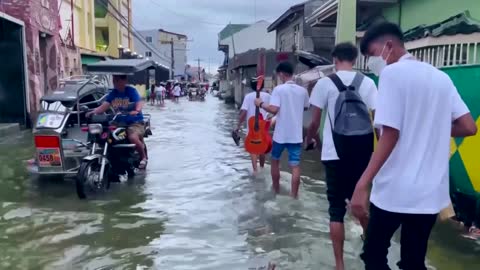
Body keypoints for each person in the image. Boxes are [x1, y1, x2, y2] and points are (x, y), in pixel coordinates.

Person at [350, 22, 477, 270]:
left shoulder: (391, 74)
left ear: (389, 46)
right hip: (428, 194)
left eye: (372, 55)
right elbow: (469, 127)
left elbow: (390, 135)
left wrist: (362, 183)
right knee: (413, 261)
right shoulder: (441, 77)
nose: (373, 63)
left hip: (393, 192)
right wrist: (433, 127)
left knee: (373, 256)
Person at [305, 42, 378, 270]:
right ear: (355, 60)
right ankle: (371, 251)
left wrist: (312, 138)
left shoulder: (324, 84)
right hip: (363, 152)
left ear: (335, 59)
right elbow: (379, 122)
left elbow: (314, 121)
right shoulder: (367, 83)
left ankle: (339, 265)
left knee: (336, 209)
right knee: (362, 203)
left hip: (333, 152)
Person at [255, 62, 309, 199]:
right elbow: (306, 107)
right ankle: (294, 196)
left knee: (275, 161)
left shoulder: (279, 89)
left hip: (280, 135)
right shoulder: (303, 91)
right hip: (296, 135)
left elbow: (274, 109)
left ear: (281, 74)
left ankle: (276, 189)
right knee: (295, 166)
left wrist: (260, 103)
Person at [86, 75, 148, 169]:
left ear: (124, 81)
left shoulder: (131, 91)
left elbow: (138, 102)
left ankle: (143, 157)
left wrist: (137, 110)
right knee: (104, 134)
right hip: (118, 122)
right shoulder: (113, 93)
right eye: (114, 80)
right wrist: (93, 112)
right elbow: (105, 106)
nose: (115, 82)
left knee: (133, 137)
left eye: (117, 80)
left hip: (134, 122)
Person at [235, 76, 271, 173]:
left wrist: (238, 126)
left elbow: (243, 113)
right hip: (263, 126)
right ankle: (262, 167)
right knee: (263, 147)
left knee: (253, 149)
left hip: (252, 128)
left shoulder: (248, 96)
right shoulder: (268, 96)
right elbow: (271, 110)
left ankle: (255, 170)